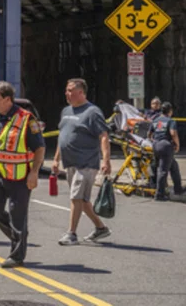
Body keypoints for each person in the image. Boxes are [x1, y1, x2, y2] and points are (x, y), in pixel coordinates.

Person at [0, 81, 45, 268]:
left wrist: (34, 173)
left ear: (7, 99)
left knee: (17, 216)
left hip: (19, 176)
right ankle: (18, 235)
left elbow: (40, 148)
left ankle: (17, 256)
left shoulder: (27, 119)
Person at [52, 79, 112, 246]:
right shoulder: (66, 111)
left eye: (70, 90)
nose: (67, 93)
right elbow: (62, 136)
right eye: (66, 90)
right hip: (70, 163)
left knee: (76, 197)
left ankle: (71, 233)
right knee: (83, 200)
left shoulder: (92, 112)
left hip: (86, 163)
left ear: (81, 93)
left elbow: (104, 136)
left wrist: (106, 160)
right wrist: (56, 159)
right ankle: (101, 228)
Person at [149, 102, 186, 201]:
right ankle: (159, 194)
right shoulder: (170, 121)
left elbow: (149, 134)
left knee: (174, 167)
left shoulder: (155, 120)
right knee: (163, 170)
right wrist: (177, 145)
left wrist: (154, 141)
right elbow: (173, 133)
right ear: (170, 111)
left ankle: (178, 188)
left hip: (156, 145)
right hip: (166, 146)